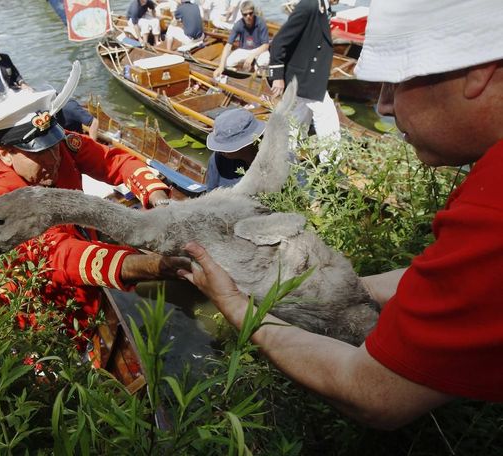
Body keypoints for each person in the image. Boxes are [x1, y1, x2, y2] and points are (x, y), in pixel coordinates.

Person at [180, 0, 503, 430]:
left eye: (394, 83)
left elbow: (373, 391)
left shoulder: (492, 210)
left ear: (477, 71)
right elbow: (445, 282)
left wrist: (238, 307)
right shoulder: (488, 183)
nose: (384, 107)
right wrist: (328, 291)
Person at [0, 88, 188, 345]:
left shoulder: (60, 146)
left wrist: (159, 199)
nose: (53, 160)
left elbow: (113, 163)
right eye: (39, 154)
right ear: (5, 154)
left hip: (85, 247)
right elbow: (55, 256)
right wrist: (149, 266)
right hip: (48, 300)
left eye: (52, 147)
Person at [267, 0, 340, 147]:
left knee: (296, 121)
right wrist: (277, 76)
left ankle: (285, 156)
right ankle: (331, 164)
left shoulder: (322, 6)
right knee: (327, 119)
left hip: (308, 76)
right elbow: (279, 42)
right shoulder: (309, 5)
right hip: (305, 78)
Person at [204, 108, 264, 191]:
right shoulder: (217, 159)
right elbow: (210, 194)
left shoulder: (277, 157)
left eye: (226, 147)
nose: (221, 151)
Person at [212, 1, 270, 78]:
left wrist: (252, 56)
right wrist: (221, 66)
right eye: (245, 14)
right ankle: (240, 73)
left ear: (253, 12)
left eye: (250, 13)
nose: (248, 16)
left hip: (259, 49)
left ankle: (258, 75)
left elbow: (266, 45)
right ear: (242, 14)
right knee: (228, 63)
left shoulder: (260, 22)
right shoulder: (238, 25)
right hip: (244, 50)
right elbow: (228, 45)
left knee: (263, 63)